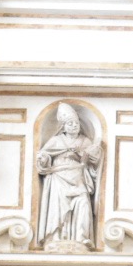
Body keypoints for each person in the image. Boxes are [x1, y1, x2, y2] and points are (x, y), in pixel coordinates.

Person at [36, 104, 102, 248]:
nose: (74, 126)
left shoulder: (85, 141)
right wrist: (43, 158)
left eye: (76, 123)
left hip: (78, 177)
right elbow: (44, 155)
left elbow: (93, 160)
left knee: (83, 203)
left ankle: (81, 237)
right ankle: (56, 236)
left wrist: (86, 154)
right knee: (58, 206)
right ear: (63, 127)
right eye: (70, 123)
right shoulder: (56, 141)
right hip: (59, 177)